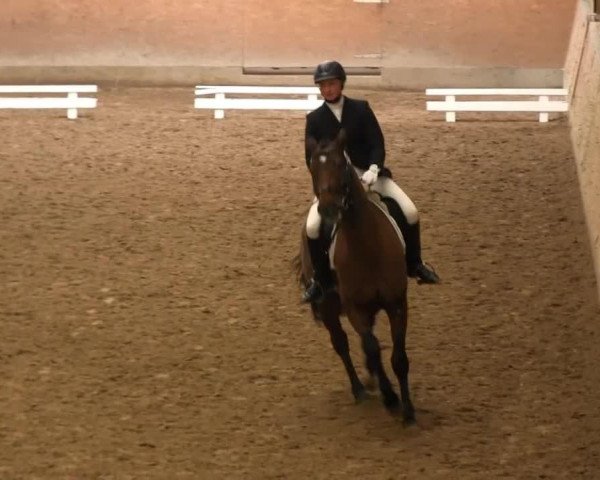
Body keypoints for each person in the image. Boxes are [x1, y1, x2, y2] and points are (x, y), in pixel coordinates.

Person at [302, 60, 440, 304]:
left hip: (369, 174)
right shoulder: (314, 119)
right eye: (322, 86)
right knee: (313, 227)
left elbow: (377, 142)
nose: (328, 90)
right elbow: (310, 159)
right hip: (334, 183)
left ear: (341, 84)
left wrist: (374, 168)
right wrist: (325, 184)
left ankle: (415, 264)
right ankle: (320, 281)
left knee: (410, 211)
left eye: (332, 84)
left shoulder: (361, 109)